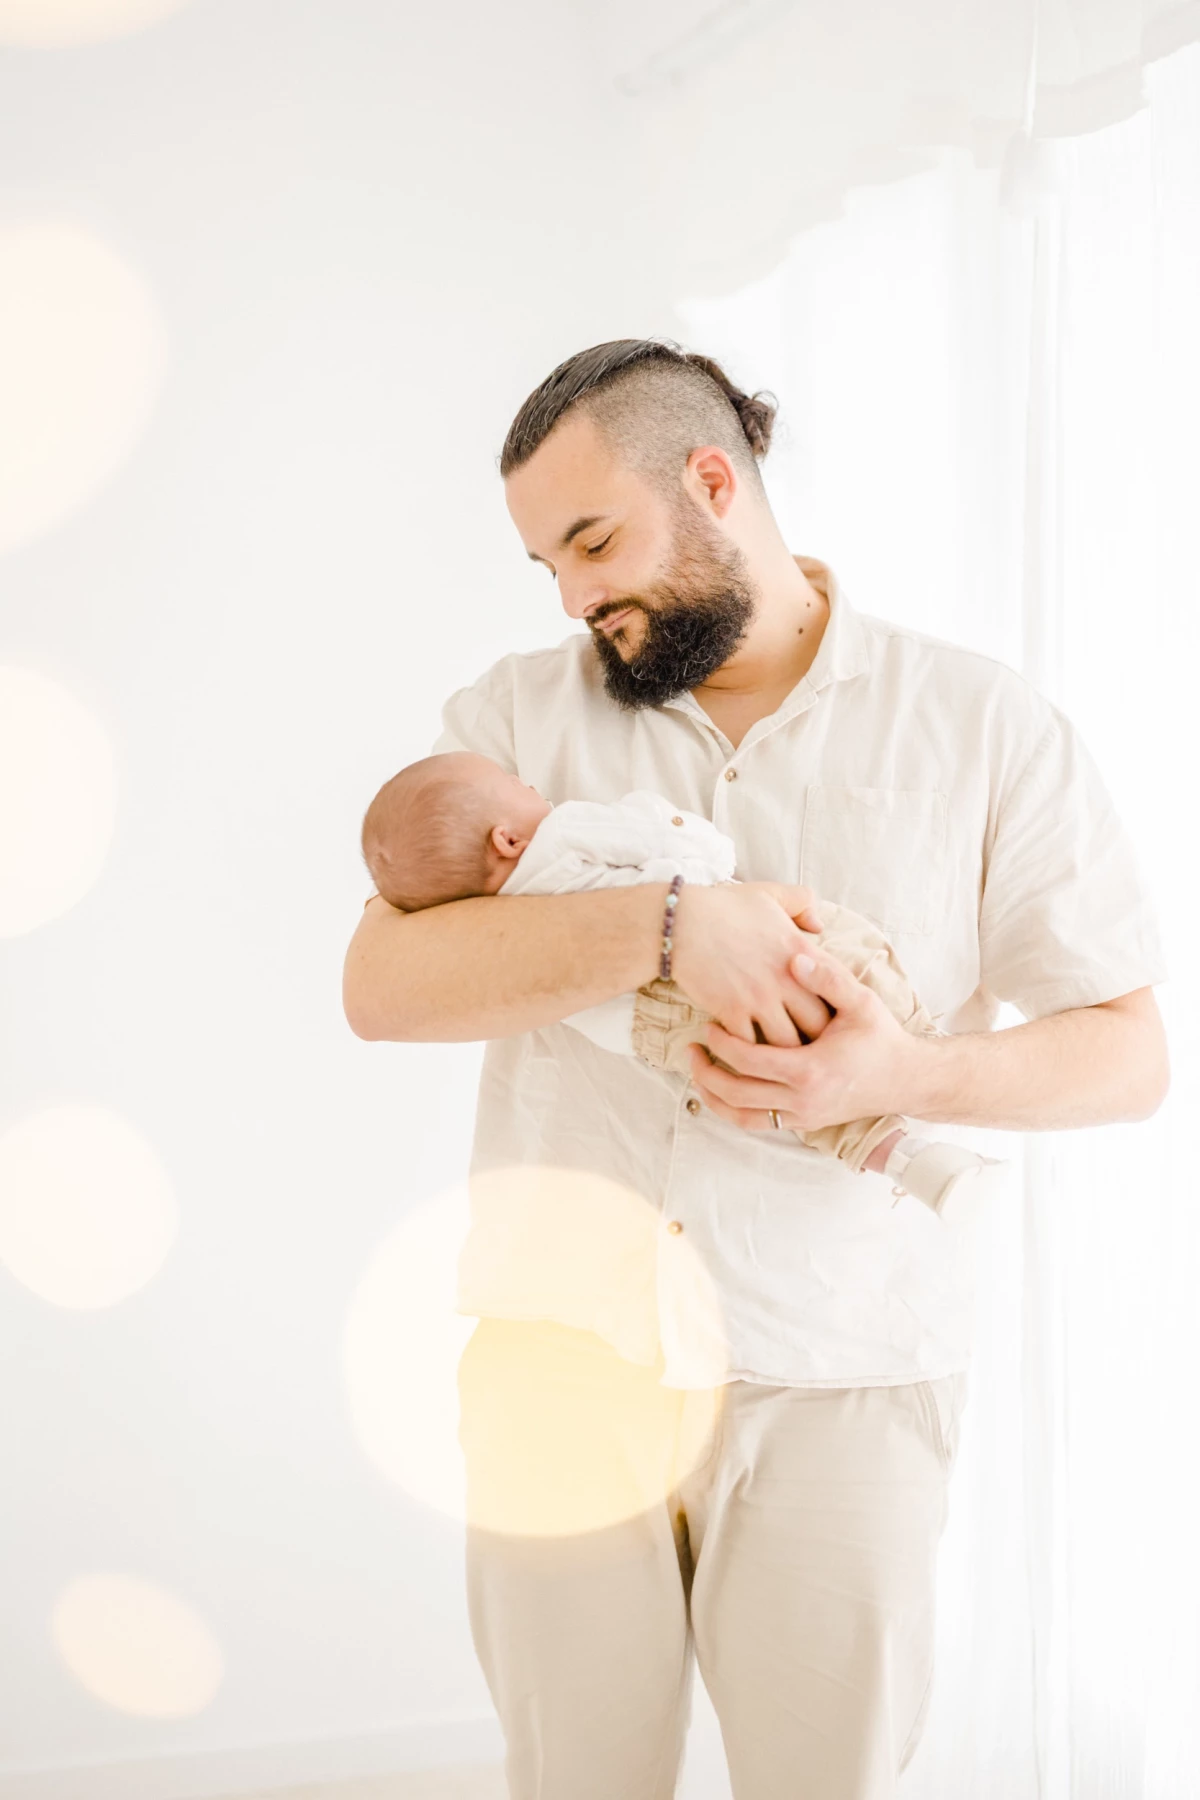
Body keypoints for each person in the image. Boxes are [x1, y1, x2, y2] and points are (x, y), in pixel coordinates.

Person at [343, 339, 1169, 1799]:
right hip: (560, 1363)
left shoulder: (980, 724)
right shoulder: (511, 721)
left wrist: (899, 1074)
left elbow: (1127, 1054)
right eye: (545, 563)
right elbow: (386, 986)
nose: (573, 596)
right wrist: (673, 924)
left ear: (714, 483)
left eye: (593, 542)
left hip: (842, 1371)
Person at [359, 752, 1005, 1217]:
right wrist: (687, 881)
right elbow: (684, 844)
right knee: (844, 948)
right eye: (512, 781)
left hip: (655, 1030)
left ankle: (898, 1157)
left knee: (787, 1084)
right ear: (507, 836)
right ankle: (913, 1044)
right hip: (733, 952)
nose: (528, 782)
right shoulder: (562, 831)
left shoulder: (491, 924)